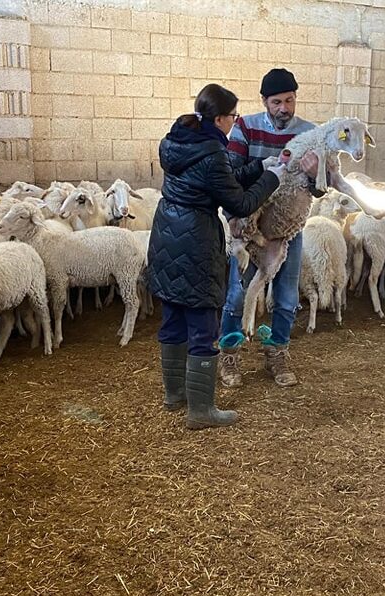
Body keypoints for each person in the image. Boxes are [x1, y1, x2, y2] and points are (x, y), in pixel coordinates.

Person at [148, 84, 287, 430]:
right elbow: (238, 202)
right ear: (222, 118)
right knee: (201, 322)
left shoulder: (177, 140)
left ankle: (175, 393)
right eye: (234, 117)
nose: (235, 122)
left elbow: (217, 179)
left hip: (167, 234)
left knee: (173, 316)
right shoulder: (211, 152)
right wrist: (274, 178)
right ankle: (201, 410)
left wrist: (258, 167)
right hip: (195, 238)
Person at [220, 68, 323, 389]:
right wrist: (265, 171)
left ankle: (277, 351)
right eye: (276, 101)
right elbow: (231, 174)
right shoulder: (245, 127)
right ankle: (229, 354)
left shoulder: (311, 133)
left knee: (288, 297)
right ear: (264, 101)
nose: (284, 108)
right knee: (237, 296)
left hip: (288, 230)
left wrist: (317, 173)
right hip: (250, 228)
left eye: (289, 100)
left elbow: (320, 190)